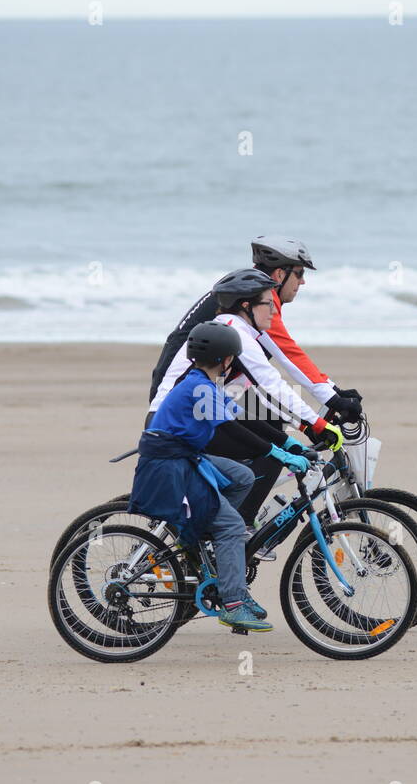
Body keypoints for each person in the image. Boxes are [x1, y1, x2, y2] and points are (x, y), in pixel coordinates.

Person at [129, 321, 313, 632]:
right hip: (170, 464)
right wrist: (277, 454)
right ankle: (233, 603)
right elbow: (231, 430)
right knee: (230, 526)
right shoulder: (199, 387)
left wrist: (288, 442)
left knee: (241, 475)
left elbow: (243, 418)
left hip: (183, 456)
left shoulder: (201, 382)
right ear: (225, 359)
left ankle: (206, 537)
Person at [148, 268, 342, 529]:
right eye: (267, 303)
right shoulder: (235, 334)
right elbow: (273, 386)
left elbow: (251, 401)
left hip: (195, 416)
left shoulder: (234, 331)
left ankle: (225, 525)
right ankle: (240, 527)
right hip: (180, 424)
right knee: (273, 453)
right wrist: (317, 425)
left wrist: (304, 426)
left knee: (272, 439)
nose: (274, 310)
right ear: (247, 306)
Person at [148, 236, 364, 419]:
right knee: (273, 422)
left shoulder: (248, 290)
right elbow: (288, 355)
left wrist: (333, 390)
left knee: (274, 418)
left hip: (213, 389)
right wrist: (332, 398)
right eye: (300, 273)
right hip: (180, 396)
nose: (303, 282)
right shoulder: (255, 297)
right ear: (280, 274)